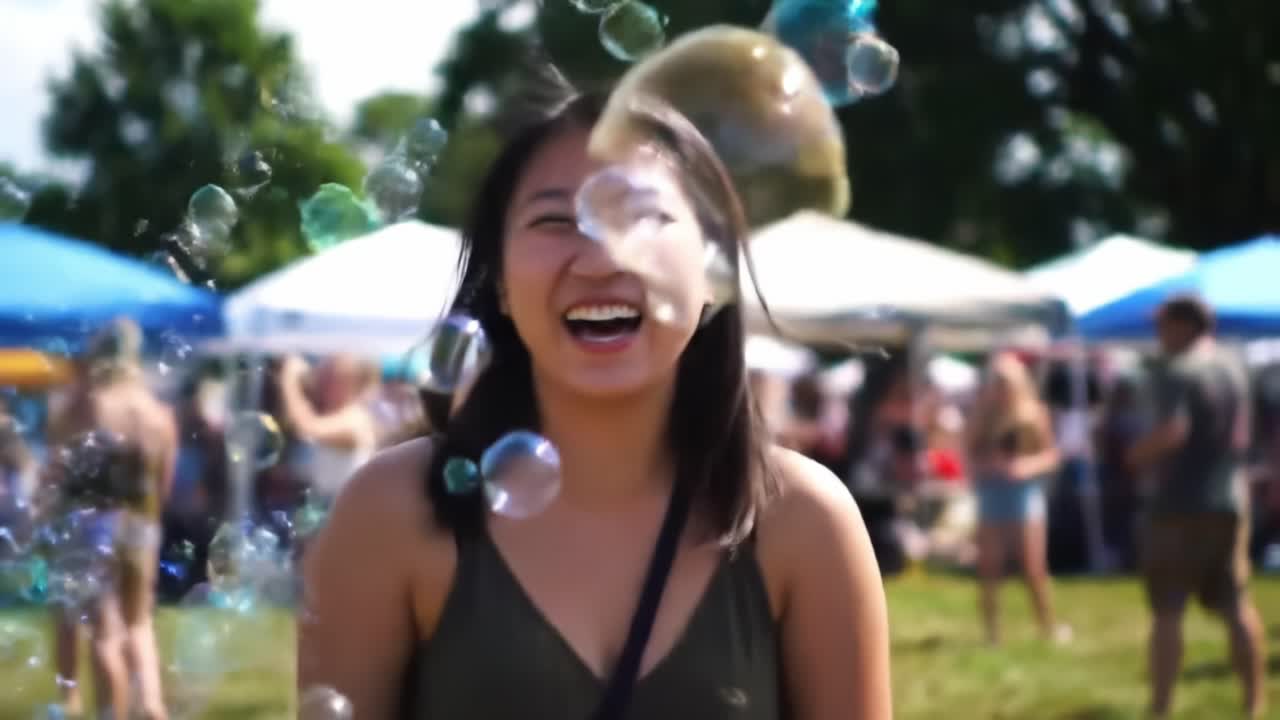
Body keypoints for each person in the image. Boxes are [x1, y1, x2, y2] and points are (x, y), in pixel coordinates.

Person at [298, 91, 891, 718]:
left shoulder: (806, 523)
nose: (602, 258)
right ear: (498, 279)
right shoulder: (390, 513)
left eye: (641, 219)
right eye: (556, 222)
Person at [1127, 295, 1267, 719]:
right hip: (1229, 498)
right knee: (1235, 603)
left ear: (1185, 325)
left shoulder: (1177, 370)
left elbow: (1172, 431)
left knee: (1167, 609)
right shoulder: (1234, 368)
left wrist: (1134, 456)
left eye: (1164, 324)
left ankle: (1161, 708)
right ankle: (1254, 704)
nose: (1159, 333)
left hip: (1178, 503)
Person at [45, 318, 176, 720]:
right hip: (141, 523)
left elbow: (57, 460)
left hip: (89, 523)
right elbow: (163, 484)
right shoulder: (156, 412)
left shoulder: (86, 404)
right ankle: (152, 704)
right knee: (137, 621)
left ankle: (85, 705)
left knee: (92, 627)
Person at [966, 352, 1067, 645]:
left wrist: (1025, 467)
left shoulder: (1034, 413)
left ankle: (1047, 625)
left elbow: (1050, 455)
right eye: (996, 382)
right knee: (990, 566)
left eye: (1006, 382)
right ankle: (991, 633)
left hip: (1024, 493)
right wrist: (990, 467)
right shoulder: (982, 416)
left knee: (1033, 566)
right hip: (991, 493)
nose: (1001, 388)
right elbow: (969, 458)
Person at [275, 354, 379, 507]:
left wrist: (289, 378)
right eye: (327, 376)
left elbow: (304, 428)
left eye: (337, 380)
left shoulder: (355, 420)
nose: (327, 384)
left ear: (357, 383)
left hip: (342, 513)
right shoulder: (331, 413)